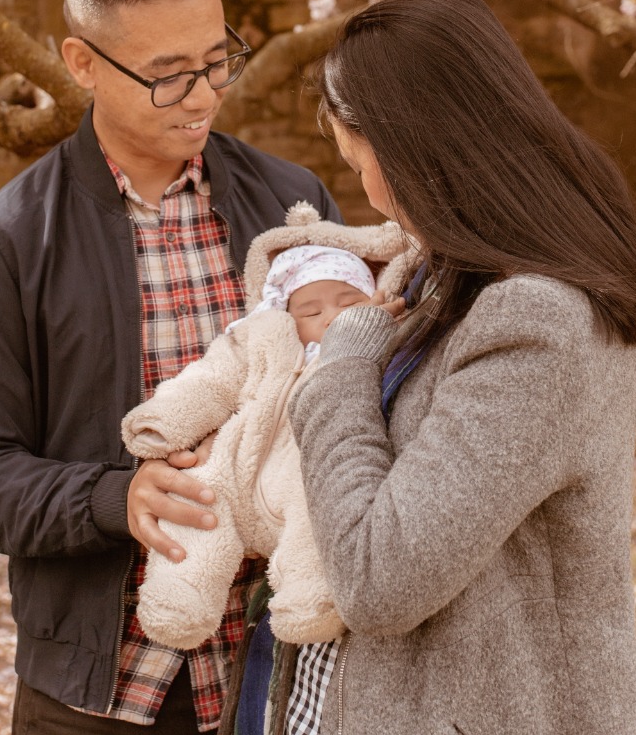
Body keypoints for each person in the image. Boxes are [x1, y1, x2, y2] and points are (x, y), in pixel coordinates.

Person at [211, 0, 636, 735]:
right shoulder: (447, 279)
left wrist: (339, 366)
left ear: (411, 150)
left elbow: (380, 578)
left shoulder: (536, 322)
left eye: (362, 163)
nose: (368, 192)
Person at [0, 0, 338, 735]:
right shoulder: (5, 242)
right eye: (167, 74)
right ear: (81, 63)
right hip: (106, 705)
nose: (202, 95)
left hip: (286, 679)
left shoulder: (292, 202)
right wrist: (114, 497)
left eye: (217, 59)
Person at [119, 211, 419, 653]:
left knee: (318, 513)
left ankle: (309, 601)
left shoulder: (373, 350)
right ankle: (180, 596)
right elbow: (212, 379)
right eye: (312, 310)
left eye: (350, 302)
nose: (332, 317)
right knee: (196, 495)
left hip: (305, 472)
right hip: (237, 465)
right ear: (284, 313)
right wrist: (161, 423)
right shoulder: (261, 339)